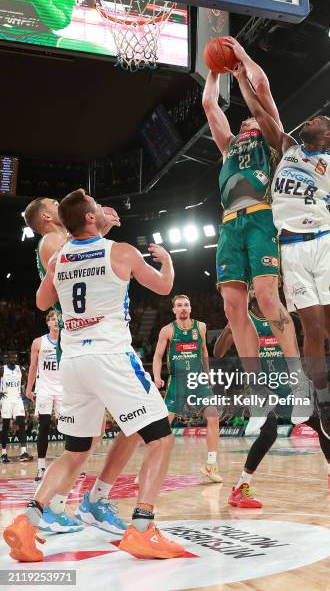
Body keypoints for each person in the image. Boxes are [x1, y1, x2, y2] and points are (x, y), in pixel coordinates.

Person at [4, 189, 185, 562]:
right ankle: (142, 527)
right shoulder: (120, 251)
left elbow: (41, 302)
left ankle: (28, 521)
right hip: (111, 356)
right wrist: (167, 262)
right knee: (161, 439)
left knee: (75, 450)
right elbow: (165, 287)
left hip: (73, 362)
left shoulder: (59, 257)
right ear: (89, 218)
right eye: (94, 209)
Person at [228, 38, 330, 441]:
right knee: (312, 330)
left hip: (323, 244)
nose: (313, 118)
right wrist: (241, 76)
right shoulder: (286, 145)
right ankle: (323, 401)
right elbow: (259, 111)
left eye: (320, 120)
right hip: (291, 248)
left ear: (326, 137)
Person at [202, 43, 312, 428]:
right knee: (234, 310)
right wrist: (213, 71)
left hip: (262, 218)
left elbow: (261, 87)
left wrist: (241, 58)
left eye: (251, 119)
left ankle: (298, 383)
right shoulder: (229, 145)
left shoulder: (270, 136)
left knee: (267, 298)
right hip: (230, 224)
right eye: (245, 121)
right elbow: (210, 108)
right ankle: (257, 393)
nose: (247, 121)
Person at [24, 195, 141, 534]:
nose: (60, 204)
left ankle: (55, 505)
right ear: (47, 216)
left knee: (85, 439)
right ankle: (90, 501)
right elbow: (78, 267)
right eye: (54, 203)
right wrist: (99, 228)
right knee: (131, 425)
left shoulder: (63, 240)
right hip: (82, 340)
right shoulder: (52, 241)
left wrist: (98, 228)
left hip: (88, 340)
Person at [214, 293, 330, 507]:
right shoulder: (244, 319)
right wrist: (230, 328)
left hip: (287, 384)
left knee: (323, 424)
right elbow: (217, 353)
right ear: (252, 290)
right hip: (260, 387)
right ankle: (240, 488)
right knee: (269, 434)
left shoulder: (282, 315)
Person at [153, 294, 222, 483]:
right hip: (178, 382)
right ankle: (150, 467)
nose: (183, 308)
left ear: (190, 308)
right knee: (163, 426)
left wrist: (208, 375)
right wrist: (157, 377)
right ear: (174, 310)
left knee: (214, 417)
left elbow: (204, 353)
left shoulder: (201, 327)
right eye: (179, 305)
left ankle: (210, 465)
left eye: (186, 304)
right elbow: (158, 356)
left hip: (198, 380)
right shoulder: (167, 330)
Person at [26, 310, 62, 483]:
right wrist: (29, 387)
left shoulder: (67, 341)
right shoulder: (38, 342)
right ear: (48, 323)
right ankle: (41, 468)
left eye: (58, 319)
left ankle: (74, 466)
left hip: (64, 389)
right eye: (53, 319)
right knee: (45, 425)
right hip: (45, 388)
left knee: (69, 426)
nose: (56, 322)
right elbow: (33, 366)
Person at [1, 351, 33, 463]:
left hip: (17, 399)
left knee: (21, 424)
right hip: (6, 399)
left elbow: (27, 379)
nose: (13, 359)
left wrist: (24, 390)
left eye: (15, 357)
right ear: (7, 358)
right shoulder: (2, 369)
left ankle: (23, 452)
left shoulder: (21, 369)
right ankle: (3, 453)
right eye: (11, 357)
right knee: (5, 426)